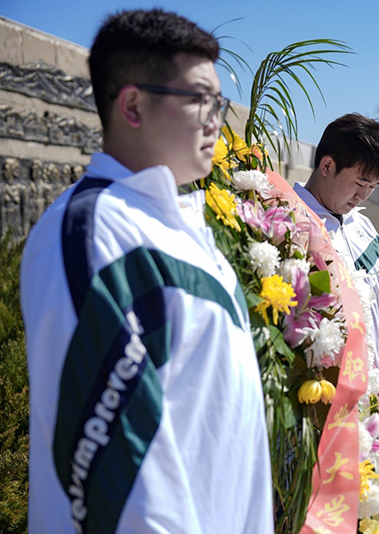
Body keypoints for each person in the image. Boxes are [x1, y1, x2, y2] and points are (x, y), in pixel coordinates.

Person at [20, 9, 273, 533]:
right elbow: (119, 473)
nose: (217, 120)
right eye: (201, 99)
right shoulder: (94, 232)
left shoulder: (180, 228)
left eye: (220, 103)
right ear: (133, 105)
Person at [293, 113, 379, 394]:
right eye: (360, 183)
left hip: (377, 391)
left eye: (373, 187)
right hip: (325, 393)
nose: (363, 196)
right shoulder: (289, 223)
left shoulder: (365, 227)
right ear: (327, 165)